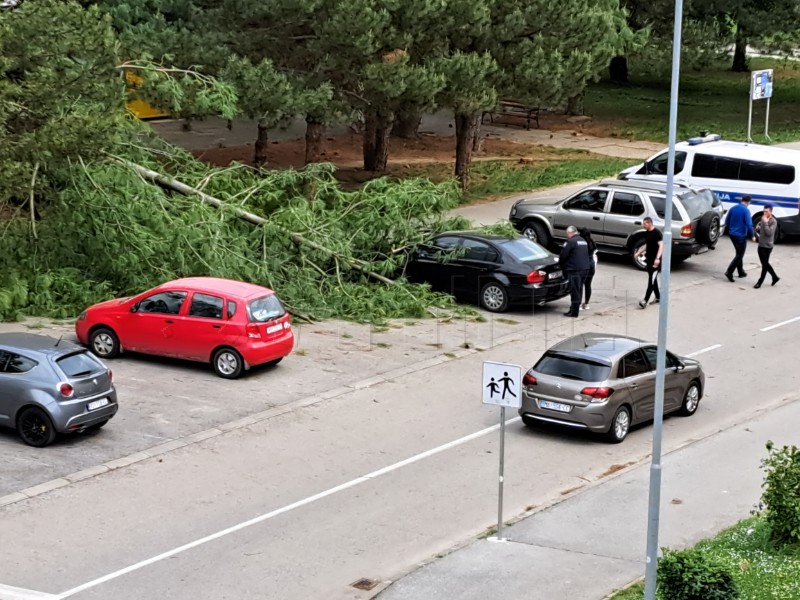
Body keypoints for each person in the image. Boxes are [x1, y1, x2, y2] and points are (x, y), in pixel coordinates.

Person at [559, 225, 593, 317]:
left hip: (574, 269)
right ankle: (574, 309)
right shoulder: (583, 241)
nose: (567, 236)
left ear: (570, 232)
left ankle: (574, 312)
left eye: (567, 234)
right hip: (585, 269)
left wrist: (561, 265)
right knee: (579, 289)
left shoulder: (570, 242)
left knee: (574, 291)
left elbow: (563, 255)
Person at [724, 195, 756, 282]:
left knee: (738, 252)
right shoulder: (746, 211)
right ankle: (729, 272)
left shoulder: (733, 208)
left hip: (732, 234)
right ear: (748, 202)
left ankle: (741, 272)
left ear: (742, 200)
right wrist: (752, 235)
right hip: (741, 235)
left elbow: (727, 221)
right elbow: (749, 224)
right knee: (740, 254)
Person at [635, 217, 662, 308]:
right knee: (653, 279)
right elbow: (647, 244)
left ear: (650, 223)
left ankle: (645, 301)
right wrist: (639, 252)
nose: (643, 225)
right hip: (649, 260)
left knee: (651, 281)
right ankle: (658, 297)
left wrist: (657, 258)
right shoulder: (647, 233)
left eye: (645, 224)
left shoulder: (657, 233)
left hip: (656, 261)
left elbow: (661, 246)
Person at [754, 204, 780, 288]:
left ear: (771, 212)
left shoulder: (773, 221)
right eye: (764, 211)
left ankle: (760, 282)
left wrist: (765, 222)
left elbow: (769, 233)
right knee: (765, 263)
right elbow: (759, 229)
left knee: (764, 265)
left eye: (766, 211)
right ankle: (775, 277)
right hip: (761, 244)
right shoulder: (763, 218)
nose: (764, 213)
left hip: (767, 246)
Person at [579, 227, 598, 310]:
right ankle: (586, 304)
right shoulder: (592, 242)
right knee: (588, 285)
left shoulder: (582, 243)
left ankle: (578, 304)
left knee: (580, 285)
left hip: (584, 266)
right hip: (591, 265)